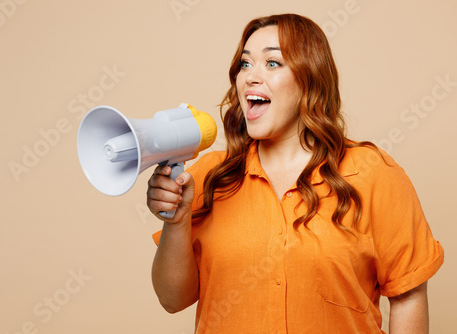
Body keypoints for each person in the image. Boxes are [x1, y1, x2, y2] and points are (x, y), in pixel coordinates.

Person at [147, 13, 444, 334]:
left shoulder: (373, 173)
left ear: (309, 78)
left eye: (272, 63)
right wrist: (175, 222)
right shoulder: (209, 175)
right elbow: (172, 299)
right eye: (245, 65)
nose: (250, 77)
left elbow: (408, 295)